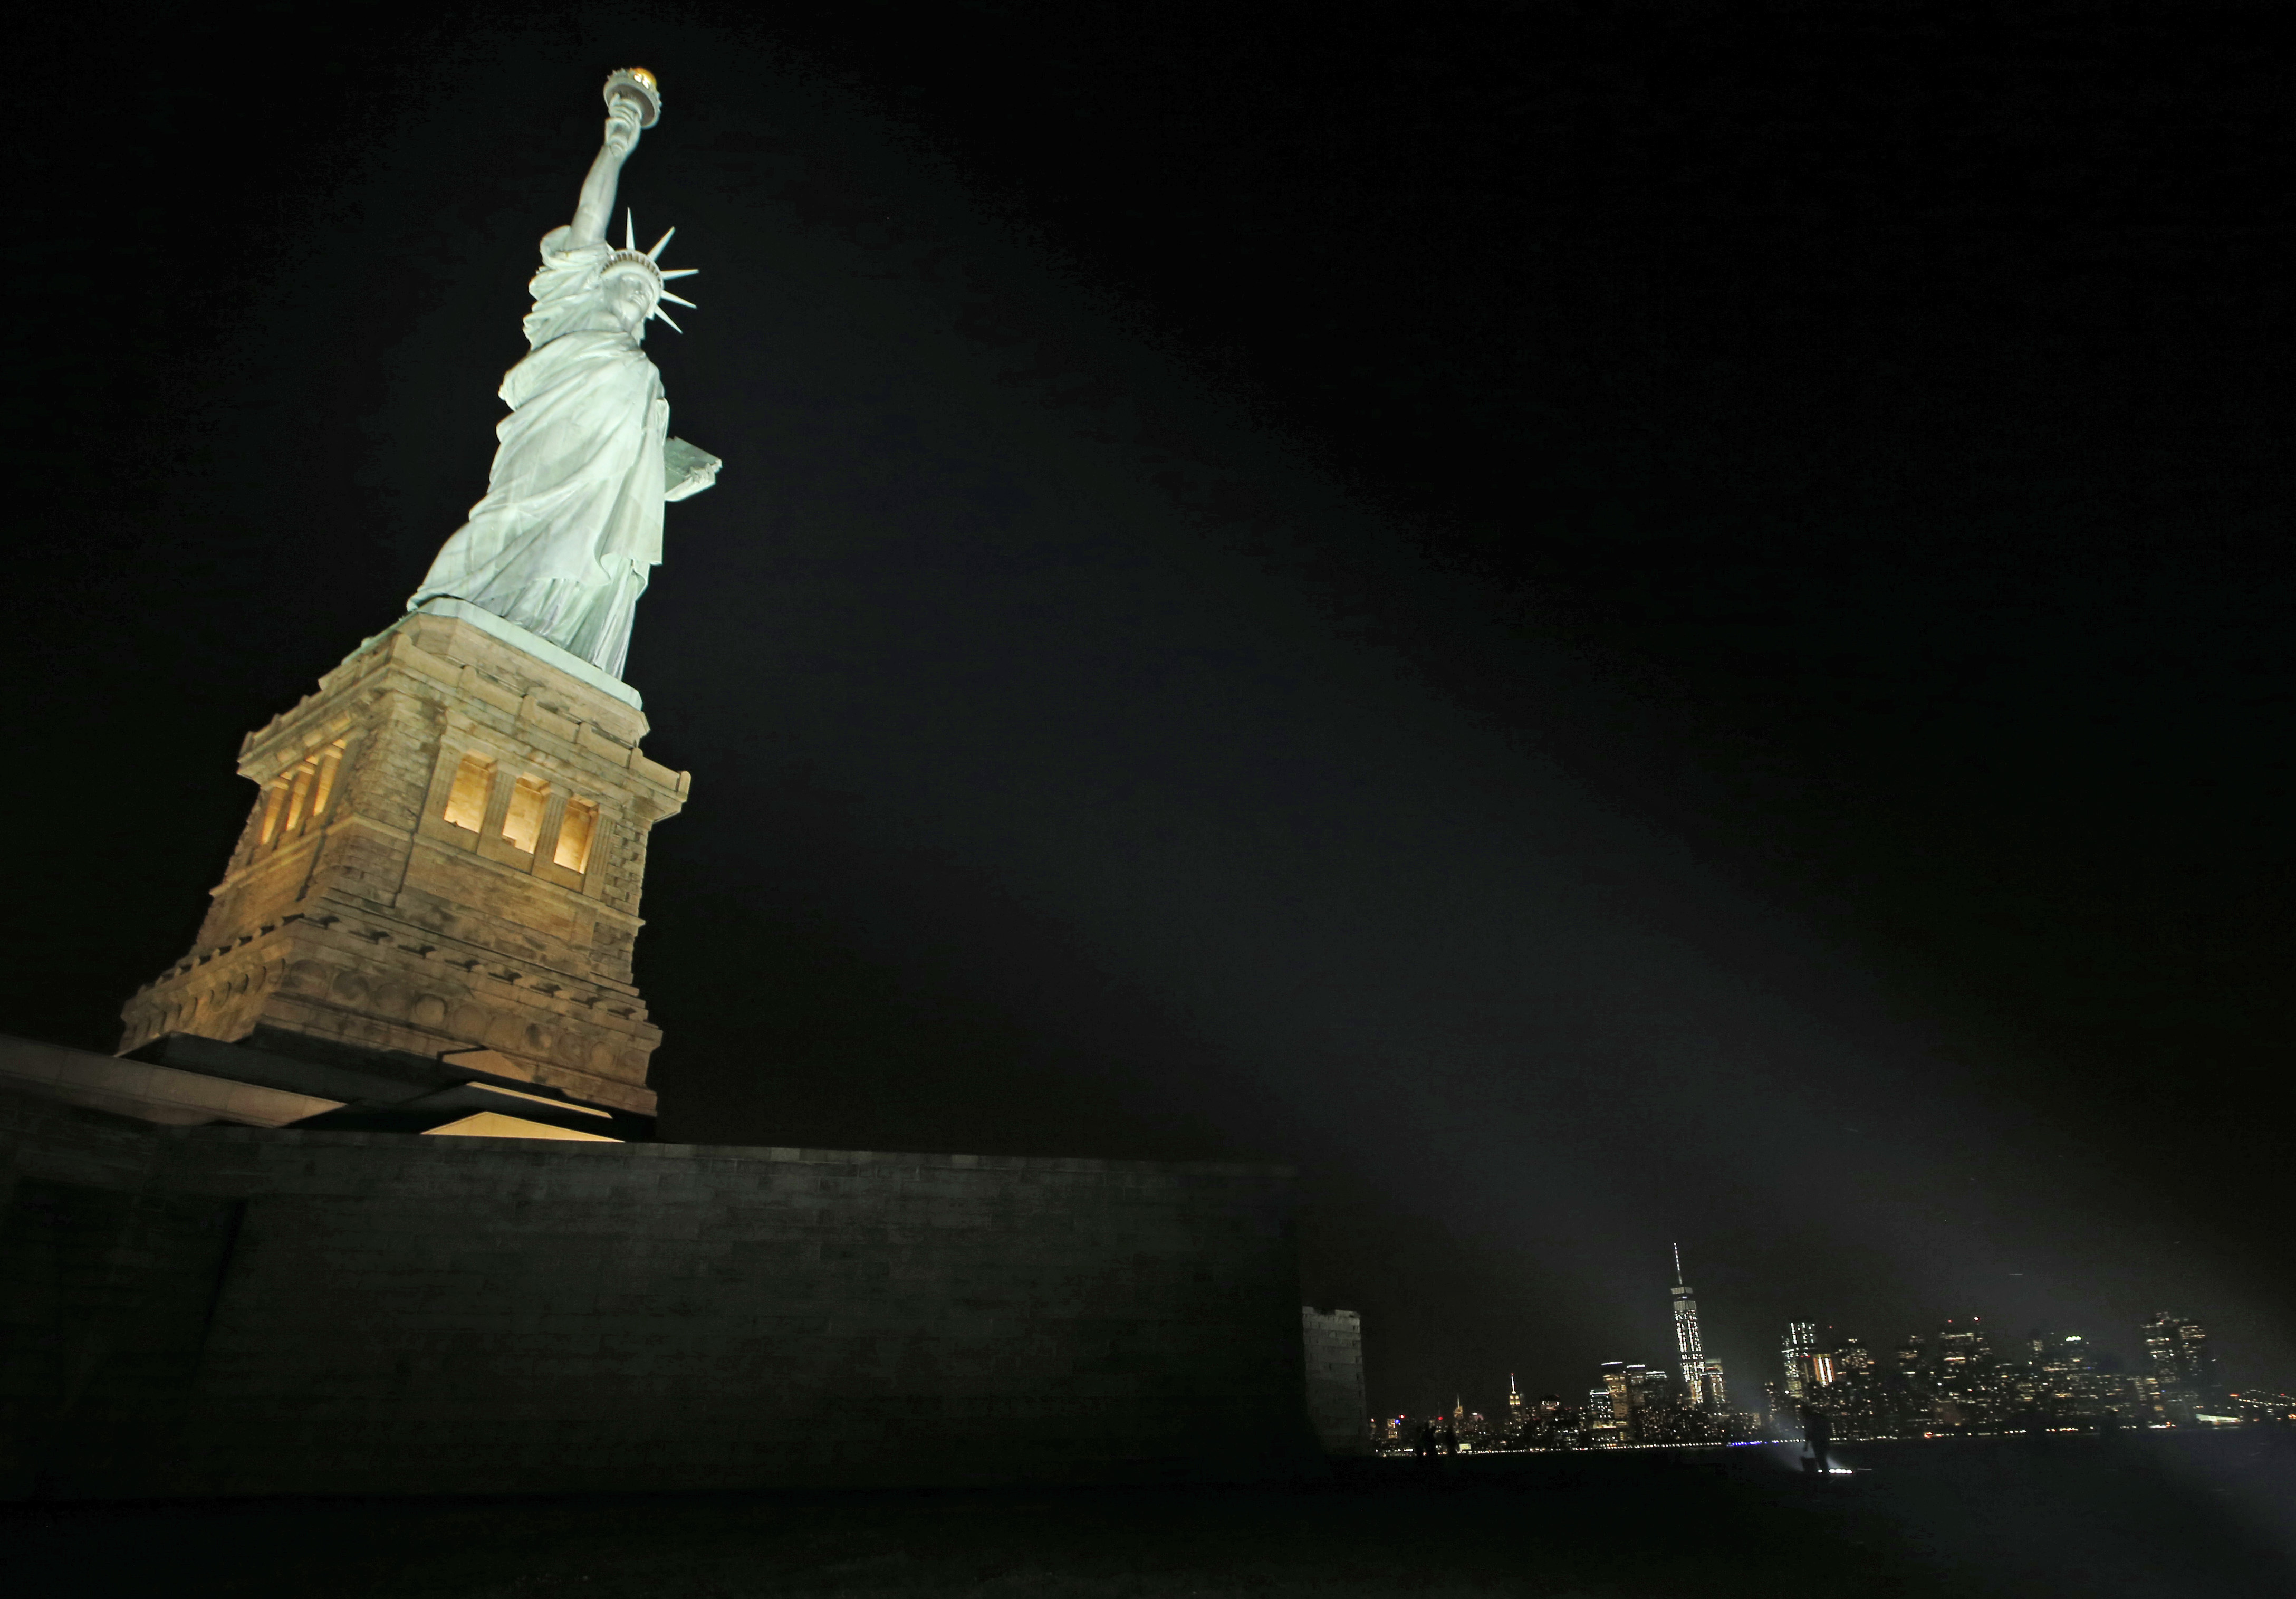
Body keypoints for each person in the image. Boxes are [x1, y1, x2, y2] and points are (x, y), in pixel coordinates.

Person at [409, 79, 717, 677]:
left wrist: (672, 476)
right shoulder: (573, 310)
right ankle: (450, 607)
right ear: (599, 284)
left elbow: (633, 467)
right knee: (507, 519)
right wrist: (617, 145)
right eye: (629, 283)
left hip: (600, 493)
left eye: (647, 296)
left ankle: (556, 639)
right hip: (547, 446)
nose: (638, 296)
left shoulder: (645, 376)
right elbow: (589, 219)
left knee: (591, 558)